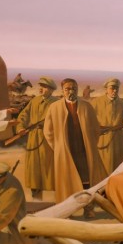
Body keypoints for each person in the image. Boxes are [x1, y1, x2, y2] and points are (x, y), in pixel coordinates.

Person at [43, 78, 106, 217]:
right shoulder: (54, 107)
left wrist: (90, 144)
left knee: (86, 179)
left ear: (77, 90)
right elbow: (48, 131)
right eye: (67, 89)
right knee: (66, 181)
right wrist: (58, 147)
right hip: (65, 150)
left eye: (74, 89)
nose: (71, 91)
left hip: (83, 149)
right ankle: (67, 211)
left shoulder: (86, 106)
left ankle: (88, 208)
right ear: (62, 90)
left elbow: (95, 128)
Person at [15, 77, 59, 200]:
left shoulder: (57, 103)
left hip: (49, 139)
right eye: (40, 86)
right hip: (33, 138)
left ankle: (55, 200)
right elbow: (23, 115)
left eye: (44, 87)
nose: (41, 89)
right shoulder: (34, 101)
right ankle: (36, 197)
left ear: (51, 90)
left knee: (50, 168)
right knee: (34, 168)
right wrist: (20, 127)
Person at [90, 78, 123, 175]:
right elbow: (88, 118)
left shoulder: (120, 102)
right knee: (103, 165)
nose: (114, 91)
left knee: (121, 165)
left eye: (116, 88)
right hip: (102, 138)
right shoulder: (96, 102)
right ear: (106, 89)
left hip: (119, 138)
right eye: (112, 88)